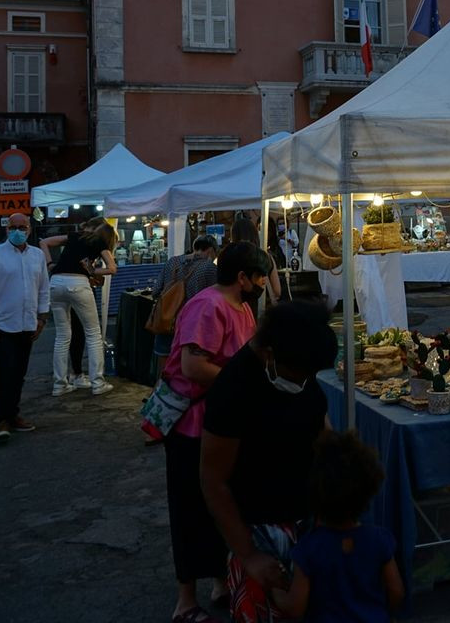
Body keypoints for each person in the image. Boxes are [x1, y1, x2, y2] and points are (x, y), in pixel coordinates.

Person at [200, 301, 340, 623]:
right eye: (300, 373)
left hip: (308, 519)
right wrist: (249, 554)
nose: (305, 380)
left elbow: (320, 426)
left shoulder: (300, 369)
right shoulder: (233, 390)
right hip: (258, 529)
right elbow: (212, 480)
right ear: (268, 353)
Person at [160, 243, 270, 623]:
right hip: (192, 426)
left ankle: (222, 582)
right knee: (190, 508)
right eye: (258, 277)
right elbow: (193, 367)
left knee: (223, 505)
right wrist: (241, 382)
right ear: (242, 278)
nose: (262, 284)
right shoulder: (209, 306)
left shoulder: (242, 307)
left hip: (224, 422)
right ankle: (185, 602)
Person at [270, 430, 405, 622]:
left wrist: (276, 591)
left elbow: (295, 608)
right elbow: (396, 591)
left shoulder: (308, 549)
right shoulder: (380, 539)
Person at [0, 212, 51, 444]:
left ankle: (14, 413)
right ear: (7, 229)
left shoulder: (37, 255)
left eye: (22, 227)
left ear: (29, 229)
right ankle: (2, 419)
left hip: (27, 323)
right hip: (2, 325)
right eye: (13, 227)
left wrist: (42, 318)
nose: (18, 231)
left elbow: (43, 288)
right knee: (3, 374)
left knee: (19, 373)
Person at [48, 223, 118, 397]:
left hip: (55, 282)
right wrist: (93, 271)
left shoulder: (74, 236)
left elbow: (45, 242)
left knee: (62, 336)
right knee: (93, 334)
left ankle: (59, 384)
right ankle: (98, 383)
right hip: (78, 284)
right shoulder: (100, 243)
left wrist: (49, 263)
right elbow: (112, 268)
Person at [152, 235, 220, 371]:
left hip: (166, 321)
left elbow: (156, 291)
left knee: (163, 370)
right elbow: (216, 299)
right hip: (193, 327)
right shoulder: (210, 268)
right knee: (184, 371)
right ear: (211, 251)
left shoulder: (172, 262)